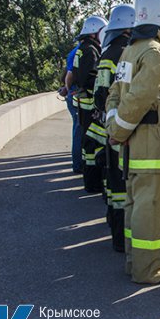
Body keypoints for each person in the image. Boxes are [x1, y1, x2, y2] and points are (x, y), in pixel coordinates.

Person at [106, 0, 160, 284]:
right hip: (152, 141)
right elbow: (138, 98)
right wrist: (119, 131)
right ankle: (150, 269)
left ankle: (134, 262)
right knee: (153, 208)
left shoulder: (129, 50)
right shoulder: (154, 52)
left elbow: (114, 96)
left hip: (132, 142)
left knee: (136, 205)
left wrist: (116, 131)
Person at [90, 4, 135, 252]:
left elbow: (100, 94)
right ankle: (123, 241)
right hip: (126, 127)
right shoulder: (128, 55)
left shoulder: (108, 56)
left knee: (114, 183)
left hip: (110, 123)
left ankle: (116, 234)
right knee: (123, 184)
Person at [73, 15, 107, 192]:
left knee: (88, 143)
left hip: (83, 103)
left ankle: (90, 180)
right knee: (94, 142)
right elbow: (90, 77)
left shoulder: (83, 48)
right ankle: (93, 182)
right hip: (89, 104)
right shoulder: (90, 51)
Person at [58, 43, 82, 173]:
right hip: (75, 95)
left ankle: (78, 163)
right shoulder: (82, 51)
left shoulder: (75, 51)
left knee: (77, 128)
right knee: (79, 129)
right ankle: (78, 165)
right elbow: (70, 74)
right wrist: (68, 89)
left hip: (71, 95)